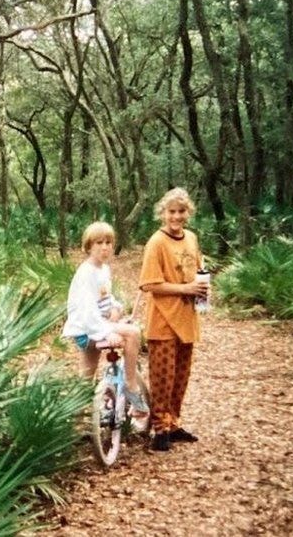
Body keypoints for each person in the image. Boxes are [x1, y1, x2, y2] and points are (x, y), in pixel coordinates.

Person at [138, 187, 209, 452]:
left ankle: (174, 422)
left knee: (181, 375)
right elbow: (150, 284)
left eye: (181, 211)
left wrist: (201, 289)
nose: (176, 217)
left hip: (187, 316)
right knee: (162, 377)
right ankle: (160, 430)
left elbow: (198, 272)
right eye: (171, 212)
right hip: (163, 319)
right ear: (163, 213)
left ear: (188, 212)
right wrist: (186, 289)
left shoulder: (191, 238)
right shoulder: (156, 242)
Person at [62, 221, 149, 430]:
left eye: (109, 242)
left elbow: (105, 299)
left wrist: (116, 308)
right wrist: (106, 331)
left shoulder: (103, 269)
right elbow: (86, 309)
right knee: (133, 333)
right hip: (86, 328)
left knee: (87, 376)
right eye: (99, 243)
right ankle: (130, 383)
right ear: (88, 246)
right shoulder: (86, 272)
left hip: (95, 325)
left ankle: (80, 422)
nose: (105, 247)